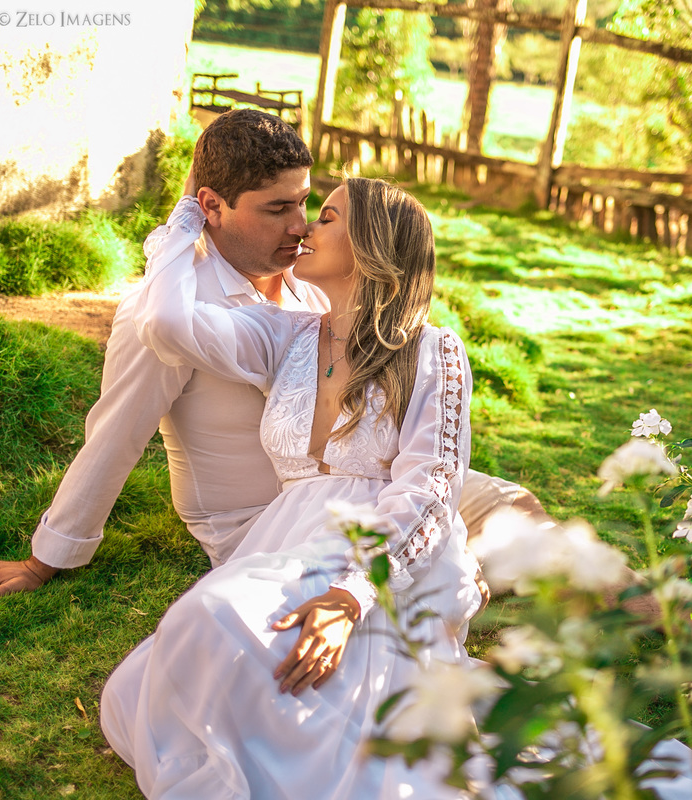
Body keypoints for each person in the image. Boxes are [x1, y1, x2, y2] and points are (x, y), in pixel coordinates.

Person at [0, 109, 545, 599]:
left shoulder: (311, 287)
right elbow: (114, 436)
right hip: (264, 524)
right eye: (277, 209)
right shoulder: (167, 309)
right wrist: (44, 560)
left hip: (363, 489)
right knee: (454, 562)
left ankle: (575, 600)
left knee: (516, 511)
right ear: (211, 206)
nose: (300, 226)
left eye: (305, 204)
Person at [101, 176, 479, 798]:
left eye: (326, 217)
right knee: (179, 648)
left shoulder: (433, 351)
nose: (303, 228)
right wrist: (188, 218)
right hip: (286, 540)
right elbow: (167, 322)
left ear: (372, 245)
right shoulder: (285, 335)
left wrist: (352, 594)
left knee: (220, 624)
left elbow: (430, 491)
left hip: (382, 556)